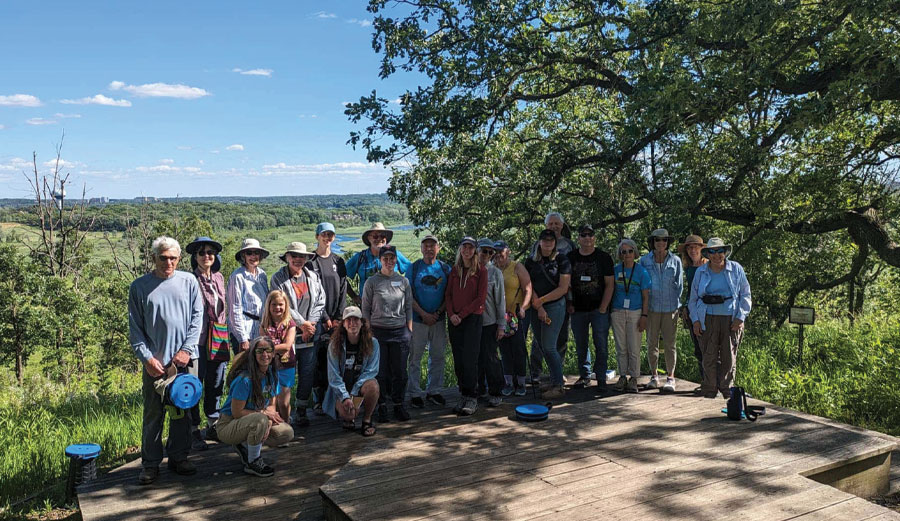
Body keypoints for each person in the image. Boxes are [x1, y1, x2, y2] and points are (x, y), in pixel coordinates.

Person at [128, 236, 203, 485]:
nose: (168, 262)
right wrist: (147, 359)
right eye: (163, 258)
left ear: (179, 259)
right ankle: (150, 463)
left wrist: (187, 350)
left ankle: (179, 457)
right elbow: (135, 329)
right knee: (153, 414)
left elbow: (197, 318)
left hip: (184, 361)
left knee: (182, 412)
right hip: (155, 365)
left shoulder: (189, 281)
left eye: (173, 258)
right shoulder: (139, 287)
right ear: (154, 258)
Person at [217, 336, 294, 477]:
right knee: (260, 420)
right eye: (260, 351)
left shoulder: (271, 374)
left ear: (273, 352)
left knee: (286, 433)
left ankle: (245, 445)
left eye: (268, 350)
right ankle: (253, 461)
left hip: (253, 419)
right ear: (253, 354)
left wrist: (269, 420)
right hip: (228, 424)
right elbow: (237, 412)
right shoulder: (245, 379)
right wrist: (264, 416)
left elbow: (271, 405)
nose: (265, 354)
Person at [269, 242, 326, 428]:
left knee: (307, 373)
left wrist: (311, 325)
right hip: (287, 335)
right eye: (294, 255)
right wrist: (302, 325)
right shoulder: (278, 278)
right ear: (287, 257)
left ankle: (301, 409)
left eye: (301, 256)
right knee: (285, 374)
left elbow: (320, 301)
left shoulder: (313, 277)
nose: (298, 259)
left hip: (310, 335)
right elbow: (283, 306)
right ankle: (280, 414)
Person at [688, 237, 752, 399]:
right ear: (708, 254)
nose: (716, 255)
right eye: (712, 251)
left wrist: (741, 317)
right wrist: (695, 320)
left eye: (720, 251)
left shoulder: (736, 269)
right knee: (708, 354)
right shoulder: (701, 271)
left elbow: (745, 293)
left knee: (728, 355)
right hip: (707, 317)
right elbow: (693, 298)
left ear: (725, 252)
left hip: (730, 317)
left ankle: (726, 387)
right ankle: (709, 388)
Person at [184, 236, 228, 451]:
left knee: (216, 382)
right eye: (201, 252)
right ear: (195, 257)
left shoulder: (219, 278)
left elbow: (223, 308)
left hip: (218, 338)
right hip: (198, 341)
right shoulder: (189, 280)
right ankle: (192, 430)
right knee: (194, 384)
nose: (207, 256)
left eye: (210, 252)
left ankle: (213, 424)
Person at [362, 245, 413, 422]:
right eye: (386, 258)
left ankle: (399, 404)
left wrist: (409, 330)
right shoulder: (372, 282)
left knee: (400, 372)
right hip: (378, 332)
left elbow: (408, 307)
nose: (389, 261)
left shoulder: (404, 282)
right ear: (380, 260)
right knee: (380, 372)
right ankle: (381, 404)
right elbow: (366, 309)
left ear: (396, 260)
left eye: (392, 258)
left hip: (400, 331)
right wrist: (368, 332)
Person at [524, 229, 571, 400]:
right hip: (537, 306)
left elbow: (563, 288)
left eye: (551, 240)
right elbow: (528, 285)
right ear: (539, 242)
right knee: (543, 346)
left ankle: (558, 385)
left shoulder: (562, 260)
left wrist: (541, 302)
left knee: (550, 346)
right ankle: (553, 380)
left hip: (555, 306)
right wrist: (537, 305)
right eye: (545, 240)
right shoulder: (530, 261)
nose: (548, 243)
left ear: (555, 243)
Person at [566, 224, 615, 391]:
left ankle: (601, 377)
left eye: (590, 234)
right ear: (578, 238)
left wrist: (603, 307)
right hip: (578, 309)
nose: (587, 238)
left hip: (598, 309)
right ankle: (585, 375)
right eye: (583, 235)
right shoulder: (570, 257)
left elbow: (610, 285)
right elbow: (566, 285)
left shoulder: (604, 257)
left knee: (600, 344)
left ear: (594, 238)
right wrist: (570, 303)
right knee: (581, 344)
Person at [529, 212, 576, 382]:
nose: (554, 227)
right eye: (551, 224)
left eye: (557, 224)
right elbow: (530, 275)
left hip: (561, 301)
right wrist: (536, 302)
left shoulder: (569, 245)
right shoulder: (536, 245)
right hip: (538, 302)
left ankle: (556, 372)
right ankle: (536, 372)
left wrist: (571, 300)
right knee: (539, 339)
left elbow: (571, 276)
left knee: (561, 336)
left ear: (562, 226)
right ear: (546, 226)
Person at [406, 234, 451, 408]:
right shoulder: (414, 268)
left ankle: (435, 390)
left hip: (439, 320)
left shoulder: (445, 269)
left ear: (438, 248)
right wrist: (423, 314)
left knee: (438, 356)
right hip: (418, 320)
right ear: (421, 248)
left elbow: (449, 294)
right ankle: (415, 392)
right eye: (425, 246)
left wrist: (438, 312)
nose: (429, 249)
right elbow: (408, 294)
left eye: (432, 245)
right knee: (415, 358)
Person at [308, 222, 349, 415]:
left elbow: (343, 289)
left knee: (334, 358)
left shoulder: (338, 261)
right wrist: (324, 317)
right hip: (317, 318)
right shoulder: (311, 262)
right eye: (324, 234)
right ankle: (317, 398)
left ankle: (332, 397)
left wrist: (339, 317)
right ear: (317, 236)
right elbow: (312, 292)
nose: (327, 238)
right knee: (316, 359)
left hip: (336, 319)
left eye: (330, 235)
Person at [446, 236, 489, 415]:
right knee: (458, 359)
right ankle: (463, 393)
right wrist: (451, 315)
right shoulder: (455, 270)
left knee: (470, 359)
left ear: (475, 251)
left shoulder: (481, 271)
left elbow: (480, 298)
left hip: (471, 319)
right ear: (460, 249)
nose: (467, 251)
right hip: (454, 320)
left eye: (471, 248)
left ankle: (472, 397)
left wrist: (461, 315)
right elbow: (448, 295)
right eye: (464, 247)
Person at [324, 306, 381, 437]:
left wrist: (354, 393)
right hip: (341, 391)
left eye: (356, 319)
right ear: (343, 324)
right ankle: (349, 417)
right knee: (349, 415)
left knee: (373, 385)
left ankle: (367, 420)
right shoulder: (334, 344)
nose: (352, 323)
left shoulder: (373, 343)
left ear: (362, 323)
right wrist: (345, 397)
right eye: (348, 320)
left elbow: (371, 371)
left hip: (360, 388)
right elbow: (334, 376)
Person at [638, 229, 683, 393]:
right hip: (651, 308)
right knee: (651, 343)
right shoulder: (644, 261)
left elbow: (680, 286)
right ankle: (654, 376)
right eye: (657, 240)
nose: (661, 243)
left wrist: (678, 306)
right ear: (653, 242)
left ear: (668, 242)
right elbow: (642, 285)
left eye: (664, 240)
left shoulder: (676, 260)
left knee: (670, 344)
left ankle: (670, 377)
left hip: (670, 308)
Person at [610, 239, 651, 393]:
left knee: (634, 347)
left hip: (635, 312)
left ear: (635, 252)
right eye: (623, 252)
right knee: (621, 347)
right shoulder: (615, 270)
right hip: (617, 311)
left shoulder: (642, 271)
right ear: (619, 254)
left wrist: (644, 316)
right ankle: (622, 376)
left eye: (629, 251)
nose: (626, 254)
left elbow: (646, 296)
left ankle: (634, 377)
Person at [493, 240, 533, 396]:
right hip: (500, 317)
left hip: (518, 314)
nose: (498, 256)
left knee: (519, 349)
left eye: (501, 252)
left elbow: (528, 288)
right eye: (495, 253)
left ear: (508, 252)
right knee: (504, 350)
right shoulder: (492, 268)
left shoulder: (517, 266)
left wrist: (523, 307)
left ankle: (521, 383)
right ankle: (508, 382)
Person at [346, 222, 412, 304]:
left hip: (391, 306)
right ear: (369, 238)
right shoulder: (360, 257)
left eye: (383, 236)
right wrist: (354, 296)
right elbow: (341, 275)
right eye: (375, 236)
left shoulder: (395, 255)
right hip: (368, 307)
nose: (379, 239)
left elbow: (412, 270)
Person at [476, 238, 506, 406]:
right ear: (477, 251)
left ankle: (496, 391)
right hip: (472, 323)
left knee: (491, 358)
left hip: (490, 321)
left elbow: (500, 300)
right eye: (483, 251)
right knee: (475, 358)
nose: (486, 255)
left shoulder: (495, 273)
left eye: (490, 252)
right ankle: (479, 389)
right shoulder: (470, 270)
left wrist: (501, 325)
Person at [259, 290, 297, 423]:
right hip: (269, 367)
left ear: (286, 306)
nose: (277, 308)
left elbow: (287, 346)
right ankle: (275, 428)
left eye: (281, 304)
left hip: (287, 366)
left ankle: (286, 425)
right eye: (274, 304)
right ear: (269, 305)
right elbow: (263, 346)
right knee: (271, 401)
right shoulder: (264, 324)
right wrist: (271, 349)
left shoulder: (290, 323)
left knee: (284, 402)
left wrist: (270, 349)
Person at [227, 238, 270, 353]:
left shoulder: (262, 275)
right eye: (249, 253)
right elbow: (234, 309)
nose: (253, 256)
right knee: (244, 368)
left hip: (260, 330)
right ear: (243, 256)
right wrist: (242, 338)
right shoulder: (237, 277)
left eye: (256, 253)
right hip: (244, 331)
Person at [678, 235, 707, 392]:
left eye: (696, 247)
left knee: (709, 347)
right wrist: (685, 307)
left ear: (702, 249)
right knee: (698, 348)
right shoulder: (688, 269)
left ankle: (713, 381)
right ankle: (704, 380)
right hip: (692, 311)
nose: (693, 250)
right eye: (689, 247)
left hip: (707, 312)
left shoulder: (708, 266)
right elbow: (690, 292)